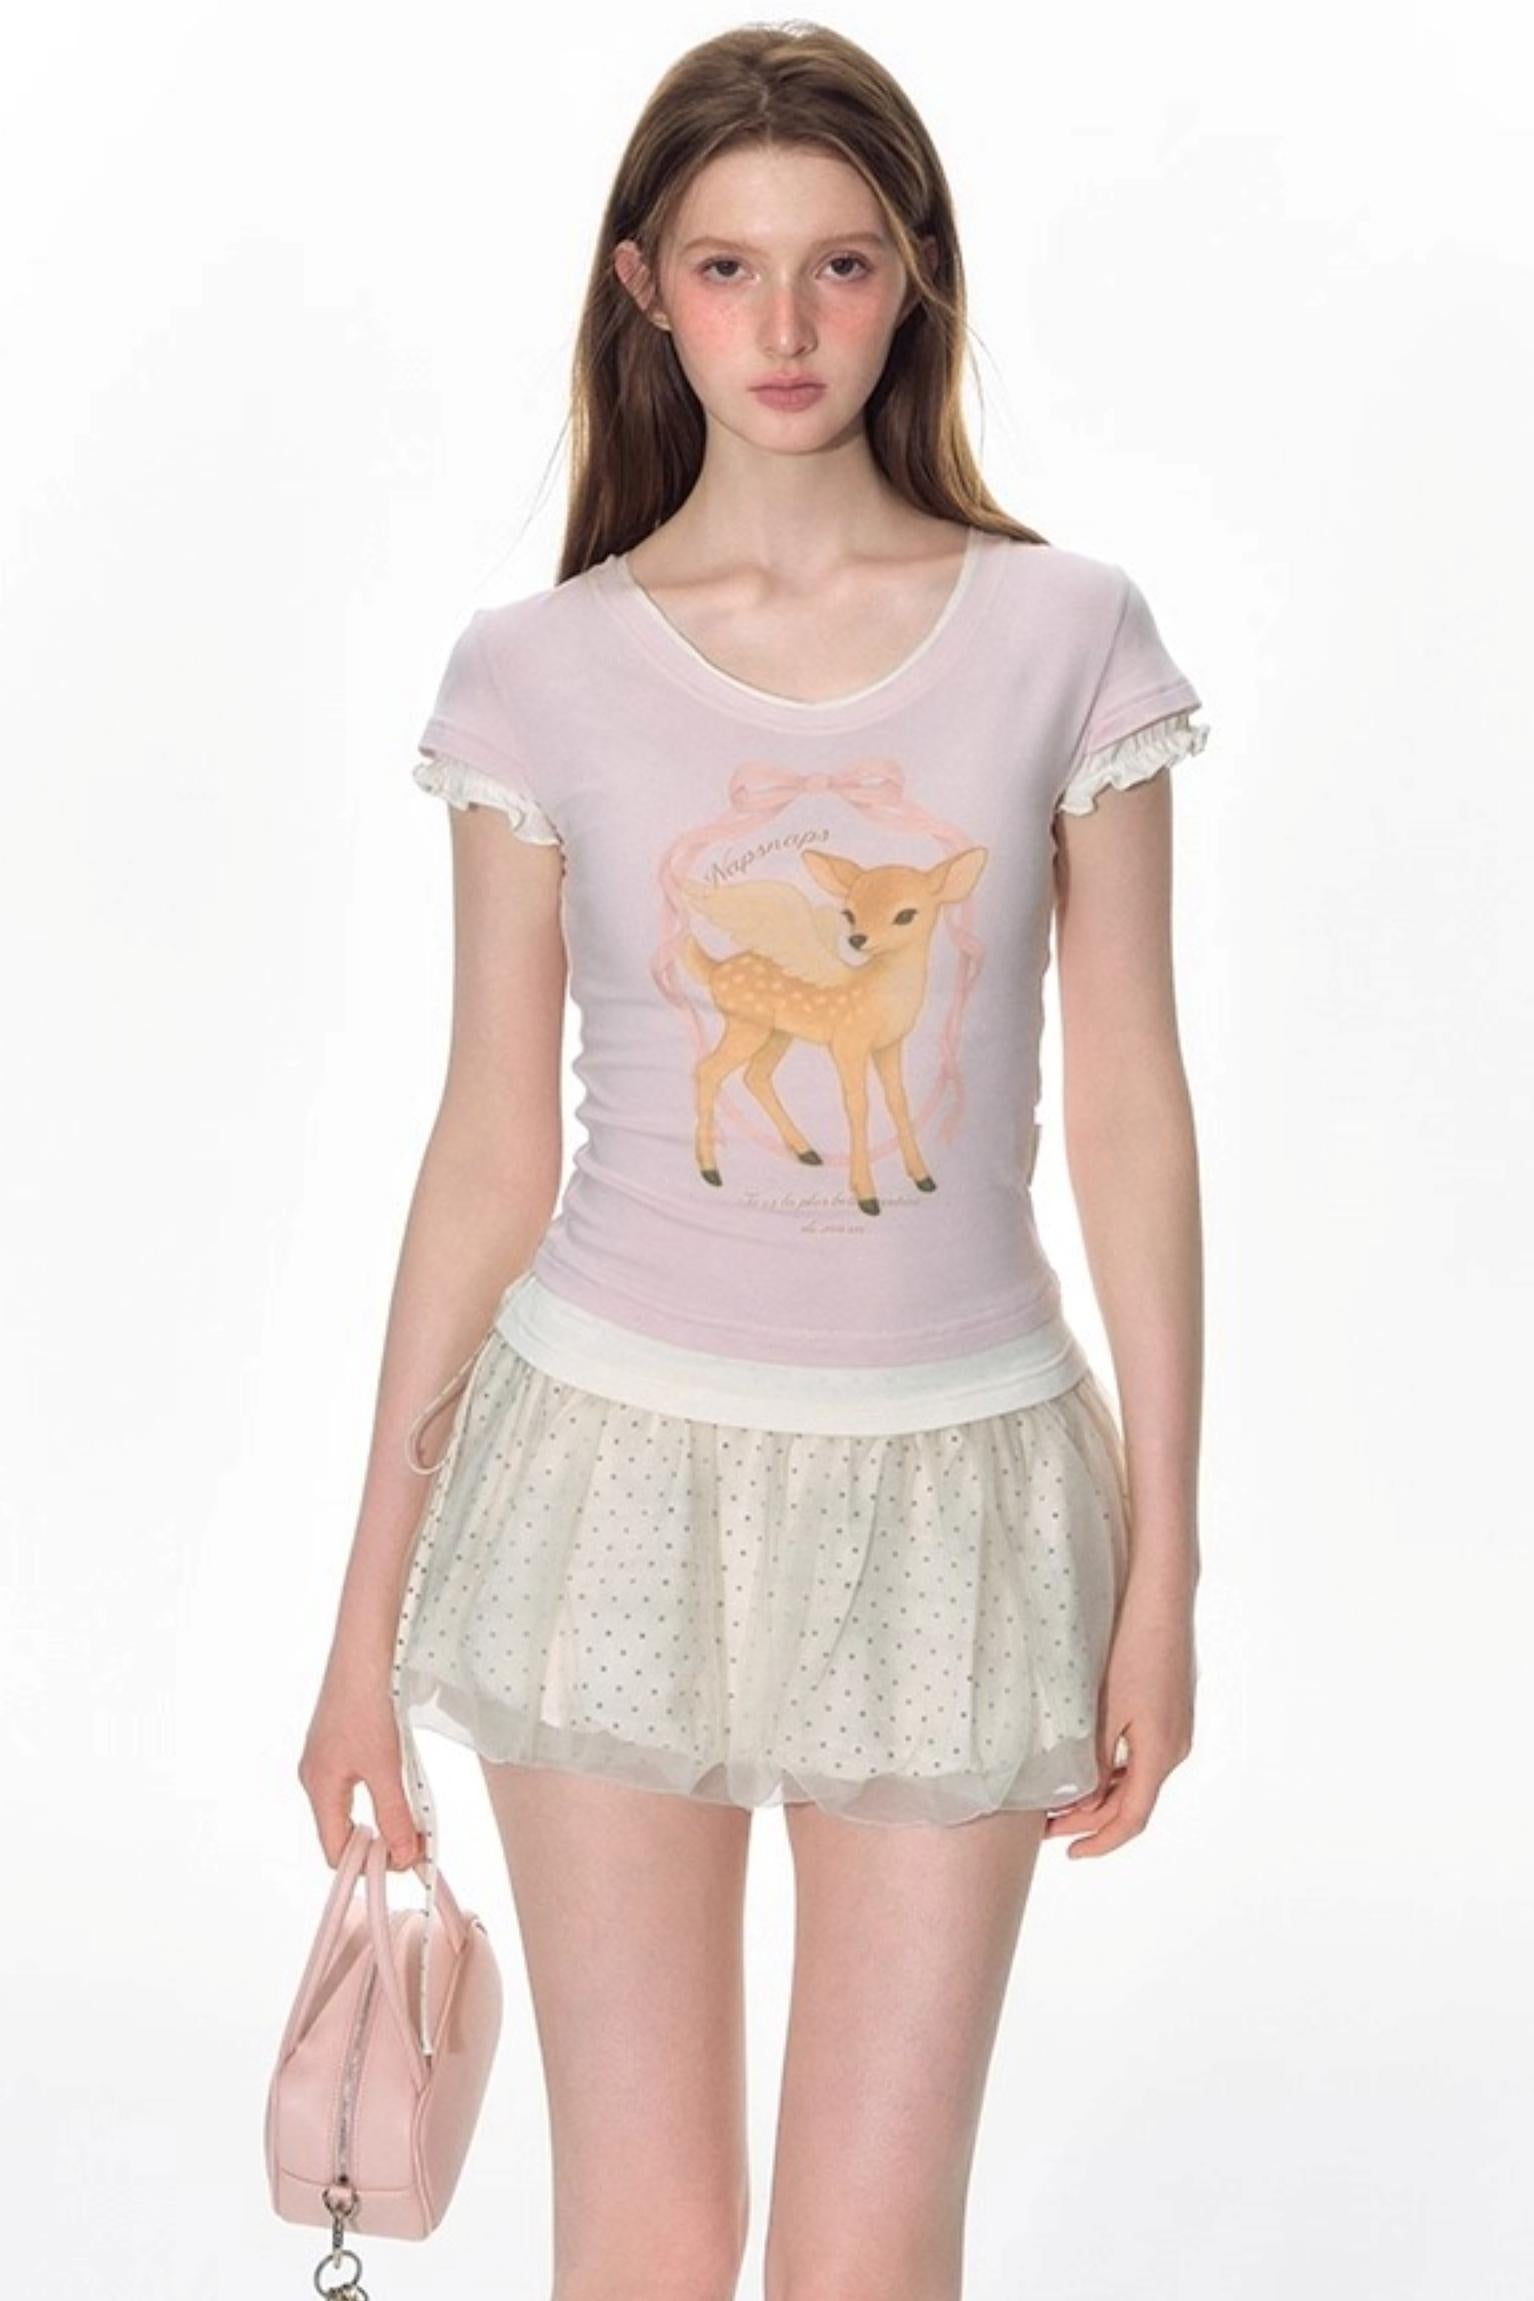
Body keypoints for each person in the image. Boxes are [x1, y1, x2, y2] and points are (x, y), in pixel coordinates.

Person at [299, 22, 1209, 2296]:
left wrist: (1164, 1565)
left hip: (961, 1492)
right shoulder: (537, 671)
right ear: (645, 287)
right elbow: (489, 1140)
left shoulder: (1065, 635)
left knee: (868, 2255)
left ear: (915, 278)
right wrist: (362, 1620)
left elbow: (1127, 1107)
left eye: (839, 264)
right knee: (644, 2236)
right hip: (605, 1468)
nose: (784, 324)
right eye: (726, 267)